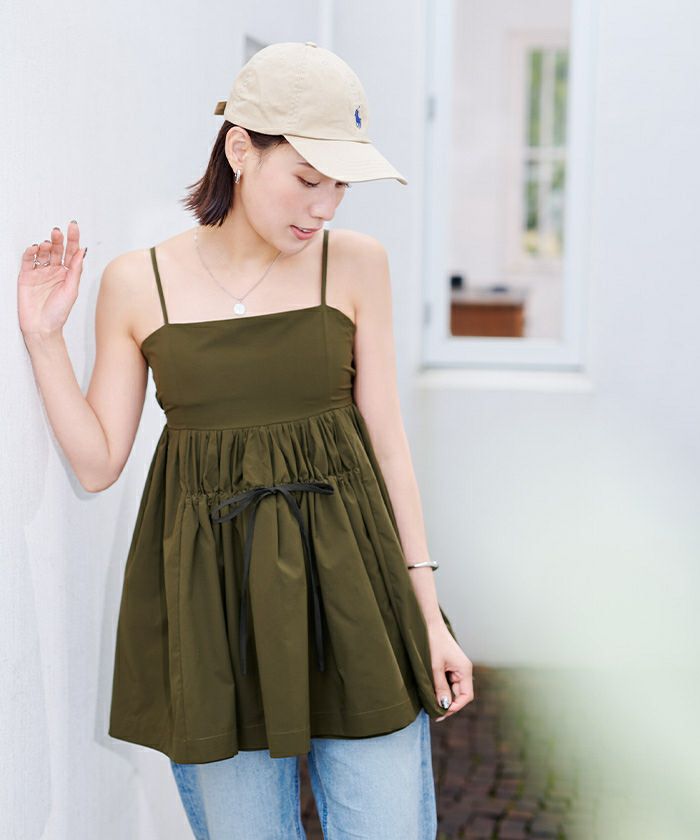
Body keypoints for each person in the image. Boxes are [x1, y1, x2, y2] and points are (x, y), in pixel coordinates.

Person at [18, 40, 474, 839]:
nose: (325, 207)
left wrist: (430, 616)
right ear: (240, 149)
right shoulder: (138, 282)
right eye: (308, 178)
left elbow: (389, 447)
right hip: (214, 603)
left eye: (340, 186)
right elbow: (96, 464)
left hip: (358, 590)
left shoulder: (354, 265)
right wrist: (44, 339)